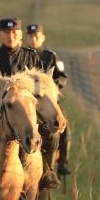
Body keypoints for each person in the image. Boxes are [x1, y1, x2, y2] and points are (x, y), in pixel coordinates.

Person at [0, 18, 61, 193]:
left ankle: (47, 170)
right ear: (1, 34)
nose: (11, 36)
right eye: (7, 32)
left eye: (14, 32)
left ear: (20, 34)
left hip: (29, 108)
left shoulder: (31, 55)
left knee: (49, 134)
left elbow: (40, 85)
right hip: (4, 109)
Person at [26, 23, 72, 176]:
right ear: (27, 37)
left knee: (65, 131)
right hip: (30, 100)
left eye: (37, 36)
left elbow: (62, 77)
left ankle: (62, 163)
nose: (34, 39)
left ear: (42, 37)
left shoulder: (50, 56)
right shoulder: (23, 55)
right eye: (31, 36)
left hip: (50, 100)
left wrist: (52, 86)